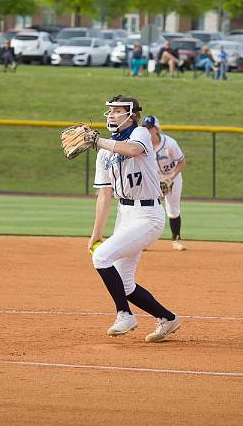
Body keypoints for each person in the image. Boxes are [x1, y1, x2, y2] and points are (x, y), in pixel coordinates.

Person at [88, 95, 181, 342]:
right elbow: (104, 195)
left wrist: (99, 141)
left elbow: (132, 149)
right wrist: (96, 232)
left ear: (131, 114)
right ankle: (168, 318)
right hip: (125, 214)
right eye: (109, 112)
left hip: (148, 215)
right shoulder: (103, 153)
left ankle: (124, 314)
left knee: (101, 257)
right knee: (125, 283)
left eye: (117, 111)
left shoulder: (139, 133)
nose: (111, 115)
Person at [143, 115, 187, 251]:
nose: (147, 131)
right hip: (154, 179)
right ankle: (142, 242)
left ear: (156, 129)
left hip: (172, 177)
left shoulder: (170, 143)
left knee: (173, 209)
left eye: (150, 128)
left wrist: (171, 178)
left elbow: (181, 162)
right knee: (147, 210)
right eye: (145, 128)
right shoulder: (143, 145)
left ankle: (176, 240)